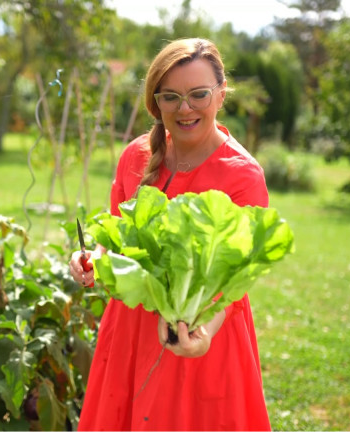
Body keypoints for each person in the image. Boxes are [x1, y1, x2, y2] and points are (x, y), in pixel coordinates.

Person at [69, 38, 271, 431]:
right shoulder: (135, 157)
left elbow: (234, 281)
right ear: (155, 101)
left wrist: (203, 335)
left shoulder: (242, 175)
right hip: (130, 328)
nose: (185, 108)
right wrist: (91, 258)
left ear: (221, 93)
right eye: (171, 97)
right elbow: (113, 234)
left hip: (196, 334)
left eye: (198, 94)